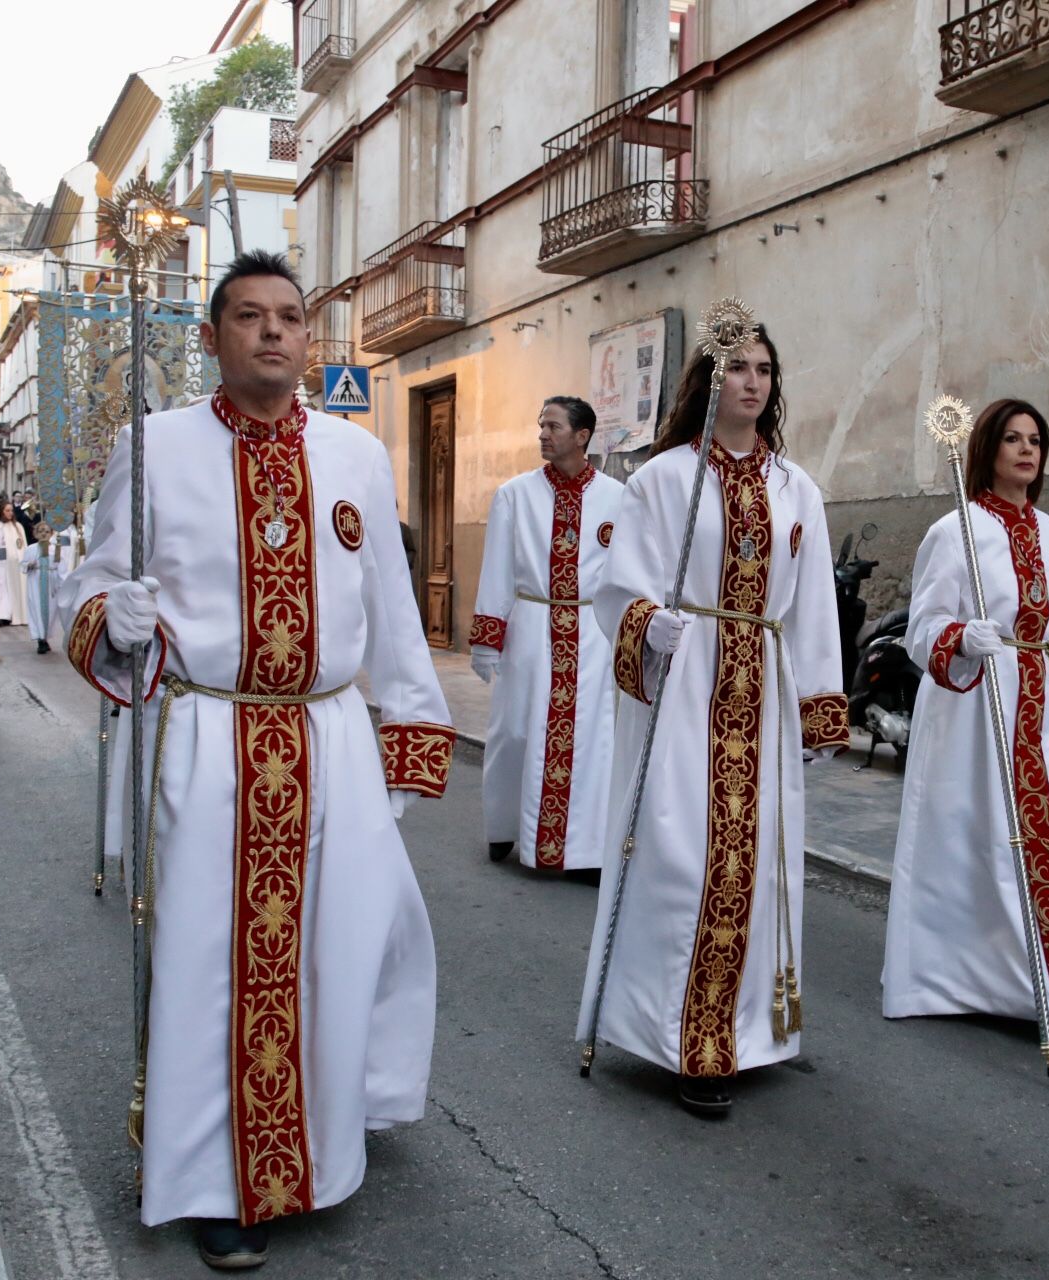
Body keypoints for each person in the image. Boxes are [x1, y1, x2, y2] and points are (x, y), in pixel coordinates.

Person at [56, 250, 450, 1269]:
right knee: (210, 959)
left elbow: (393, 607)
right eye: (249, 316)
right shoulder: (152, 449)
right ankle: (216, 1178)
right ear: (213, 335)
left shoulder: (357, 456)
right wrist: (116, 614)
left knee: (350, 942)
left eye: (289, 316)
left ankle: (321, 1134)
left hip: (330, 737)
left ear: (308, 336)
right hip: (207, 738)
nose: (272, 332)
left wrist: (407, 730)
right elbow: (90, 588)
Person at [575, 327, 848, 1119]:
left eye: (766, 369)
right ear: (708, 383)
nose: (754, 383)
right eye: (738, 370)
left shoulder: (799, 489)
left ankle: (746, 1031)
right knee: (681, 858)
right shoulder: (664, 480)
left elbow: (815, 610)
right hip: (686, 679)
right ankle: (679, 1037)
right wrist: (645, 624)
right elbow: (619, 586)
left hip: (760, 685)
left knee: (756, 867)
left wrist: (819, 706)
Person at [880, 398, 1049, 1038]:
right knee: (991, 846)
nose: (1027, 450)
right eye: (1013, 439)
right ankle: (1006, 983)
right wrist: (961, 638)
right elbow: (923, 630)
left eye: (1036, 440)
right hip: (978, 712)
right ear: (988, 451)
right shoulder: (955, 531)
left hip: (1040, 710)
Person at [468, 396, 624, 873]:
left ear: (582, 436)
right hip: (532, 632)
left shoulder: (619, 498)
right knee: (516, 732)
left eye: (553, 426)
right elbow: (497, 569)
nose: (542, 434)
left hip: (593, 636)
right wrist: (487, 639)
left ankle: (584, 854)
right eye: (541, 425)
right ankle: (505, 827)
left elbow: (628, 572)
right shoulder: (515, 494)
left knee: (593, 742)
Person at [19, 518, 68, 654]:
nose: (44, 534)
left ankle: (45, 637)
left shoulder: (56, 550)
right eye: (41, 531)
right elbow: (22, 564)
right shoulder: (31, 549)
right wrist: (29, 565)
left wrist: (62, 585)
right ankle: (40, 639)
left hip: (51, 584)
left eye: (47, 531)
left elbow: (62, 569)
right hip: (35, 582)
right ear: (35, 533)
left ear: (51, 533)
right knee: (36, 610)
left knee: (51, 613)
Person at [0, 500, 29, 626]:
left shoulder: (17, 527)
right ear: (1, 511)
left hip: (13, 566)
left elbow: (22, 546)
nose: (10, 513)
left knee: (11, 591)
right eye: (7, 510)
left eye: (11, 510)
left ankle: (12, 615)